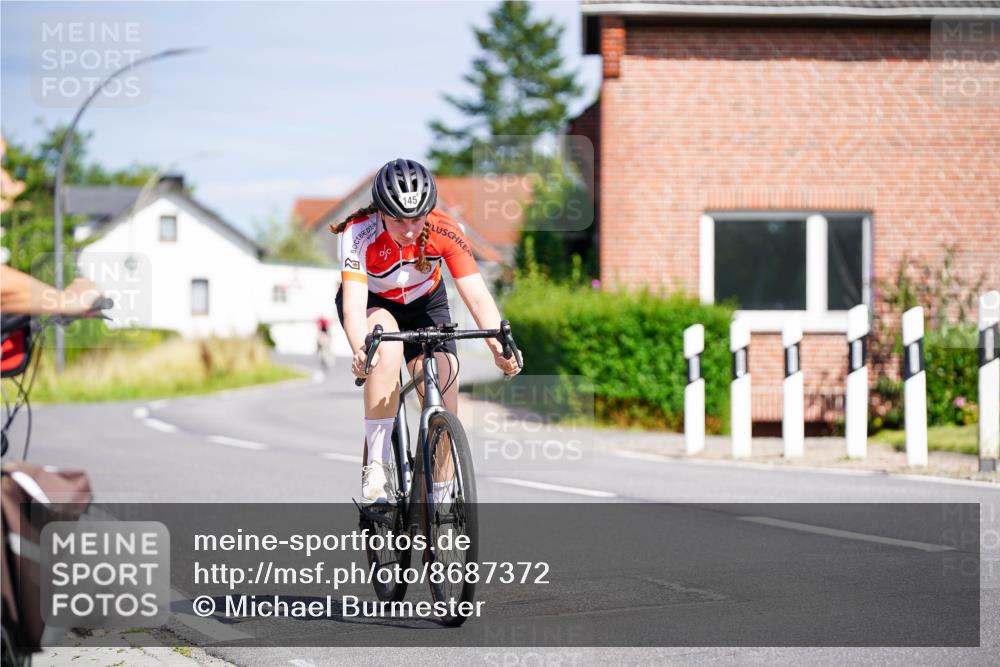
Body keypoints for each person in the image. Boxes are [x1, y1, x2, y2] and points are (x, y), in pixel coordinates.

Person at [331, 158, 521, 504]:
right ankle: (376, 464)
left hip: (426, 306)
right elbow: (353, 307)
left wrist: (499, 347)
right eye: (398, 220)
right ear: (380, 212)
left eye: (417, 218)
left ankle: (443, 498)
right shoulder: (358, 232)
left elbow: (477, 294)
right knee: (384, 349)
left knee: (445, 380)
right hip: (375, 304)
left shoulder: (446, 230)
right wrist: (361, 349)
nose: (409, 228)